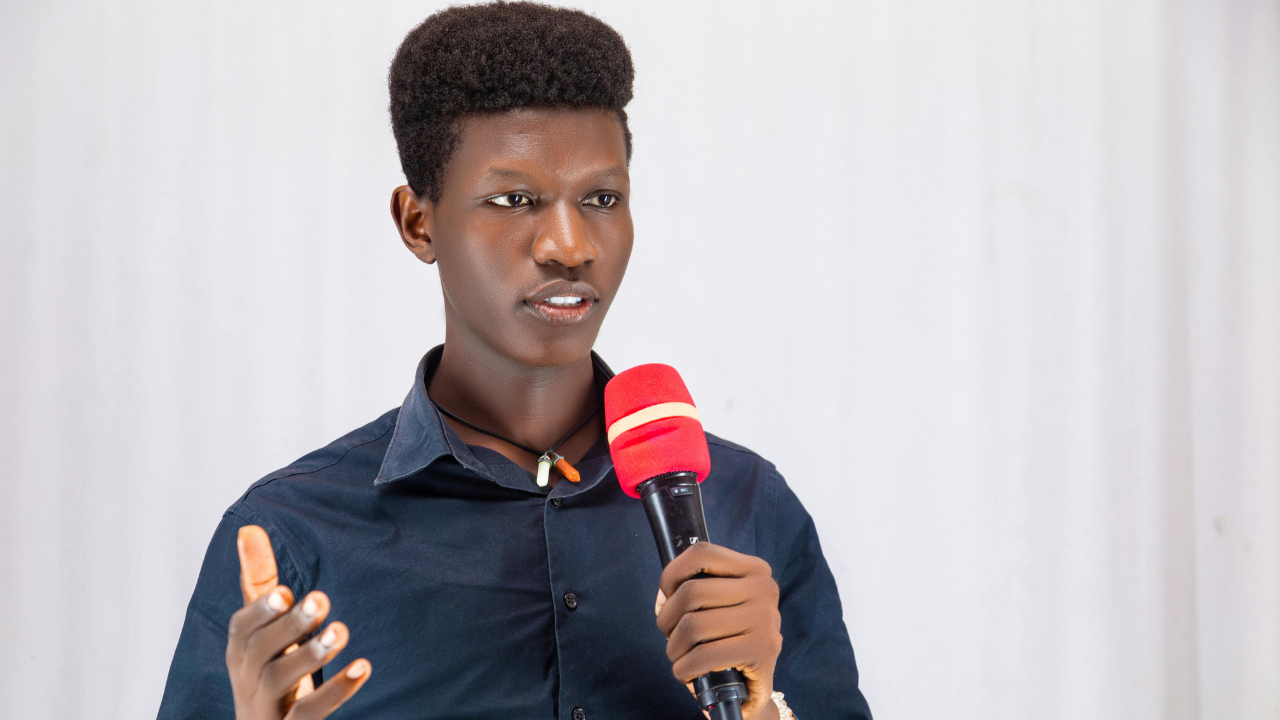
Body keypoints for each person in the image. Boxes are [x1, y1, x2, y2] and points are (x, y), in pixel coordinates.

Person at [157, 3, 872, 719]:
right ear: (418, 221)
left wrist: (759, 714)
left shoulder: (746, 506)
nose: (569, 244)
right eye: (515, 199)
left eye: (601, 197)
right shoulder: (293, 538)